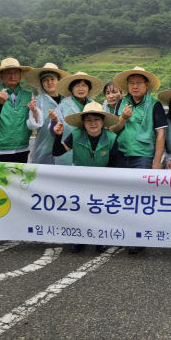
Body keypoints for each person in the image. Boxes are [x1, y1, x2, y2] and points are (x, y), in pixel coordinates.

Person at [52, 101, 121, 253]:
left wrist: (102, 179)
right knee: (80, 210)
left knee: (101, 211)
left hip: (104, 181)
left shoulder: (111, 137)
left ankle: (100, 239)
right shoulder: (76, 135)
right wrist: (58, 136)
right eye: (88, 120)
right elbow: (57, 152)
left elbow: (115, 164)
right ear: (83, 122)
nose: (93, 123)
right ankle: (79, 239)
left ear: (103, 121)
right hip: (80, 181)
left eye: (96, 119)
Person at [0, 58, 42, 163]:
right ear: (1, 75)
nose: (12, 76)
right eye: (8, 73)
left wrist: (34, 112)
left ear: (20, 75)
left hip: (21, 150)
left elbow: (32, 124)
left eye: (15, 72)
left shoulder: (29, 95)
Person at [110, 67, 167, 170]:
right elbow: (113, 130)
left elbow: (161, 134)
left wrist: (157, 162)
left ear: (146, 84)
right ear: (127, 85)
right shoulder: (121, 102)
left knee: (141, 186)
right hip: (120, 154)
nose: (135, 86)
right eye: (131, 83)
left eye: (139, 83)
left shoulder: (155, 105)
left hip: (143, 157)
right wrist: (123, 118)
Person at [51, 71, 103, 166]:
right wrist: (54, 121)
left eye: (84, 85)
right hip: (66, 153)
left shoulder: (93, 104)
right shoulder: (63, 106)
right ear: (71, 88)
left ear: (88, 88)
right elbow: (53, 131)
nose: (81, 89)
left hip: (89, 153)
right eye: (77, 86)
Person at [25, 63, 70, 165]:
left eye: (52, 79)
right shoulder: (38, 101)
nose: (49, 82)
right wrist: (34, 112)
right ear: (42, 83)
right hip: (44, 150)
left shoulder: (68, 101)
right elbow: (33, 125)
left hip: (65, 151)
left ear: (59, 81)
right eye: (45, 80)